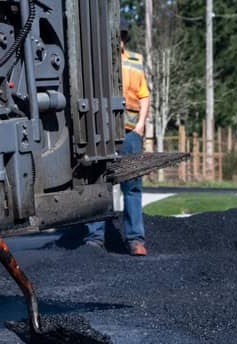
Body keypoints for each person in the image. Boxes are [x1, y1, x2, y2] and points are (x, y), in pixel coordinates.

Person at [85, 17, 151, 256]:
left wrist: (140, 126)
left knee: (132, 186)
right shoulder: (96, 64)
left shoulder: (134, 63)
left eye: (120, 35)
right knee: (98, 185)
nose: (117, 39)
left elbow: (144, 96)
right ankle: (95, 239)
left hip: (129, 133)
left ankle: (135, 240)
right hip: (101, 133)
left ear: (123, 37)